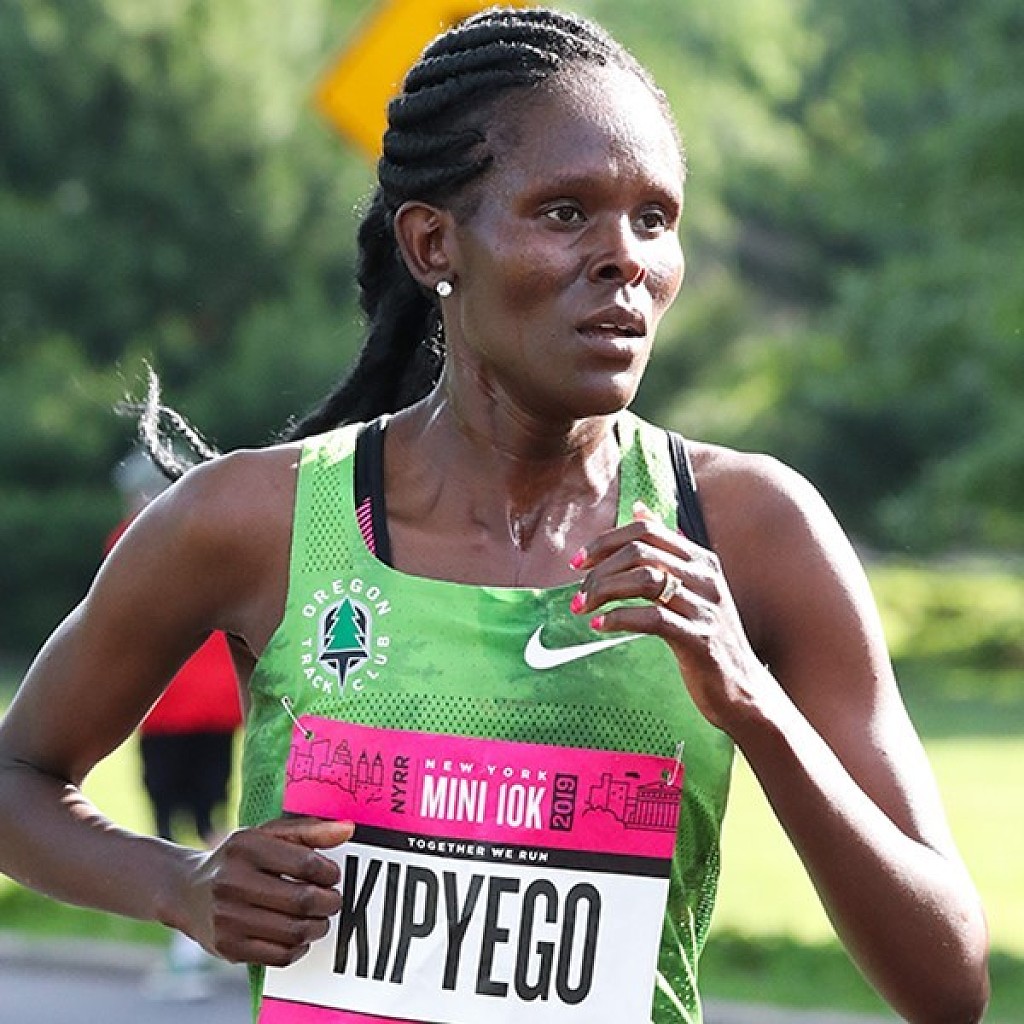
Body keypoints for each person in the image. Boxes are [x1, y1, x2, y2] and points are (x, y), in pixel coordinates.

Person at [0, 7, 989, 1023]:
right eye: (565, 213)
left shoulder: (750, 531)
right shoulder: (260, 519)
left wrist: (752, 701)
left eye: (655, 219)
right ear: (433, 242)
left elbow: (948, 983)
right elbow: (17, 777)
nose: (625, 259)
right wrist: (181, 886)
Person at [108, 450, 244, 997]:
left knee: (167, 828)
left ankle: (189, 948)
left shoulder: (131, 543)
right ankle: (230, 922)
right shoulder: (217, 535)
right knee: (212, 817)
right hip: (218, 702)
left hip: (168, 708)